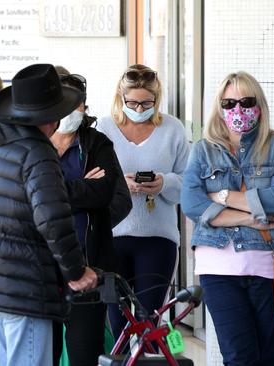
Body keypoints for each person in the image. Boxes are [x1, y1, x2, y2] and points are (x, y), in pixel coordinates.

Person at [0, 64, 98, 365]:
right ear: (50, 117)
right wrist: (76, 272)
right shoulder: (37, 153)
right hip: (25, 284)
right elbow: (53, 220)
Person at [181, 71, 274, 365]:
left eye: (246, 101)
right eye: (230, 102)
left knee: (268, 354)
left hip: (269, 263)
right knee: (238, 356)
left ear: (259, 105)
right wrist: (247, 219)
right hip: (218, 267)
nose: (238, 110)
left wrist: (219, 196)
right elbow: (190, 203)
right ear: (219, 108)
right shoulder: (202, 150)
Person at [96, 64, 190, 341]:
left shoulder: (172, 129)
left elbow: (189, 183)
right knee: (118, 321)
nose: (139, 109)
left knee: (149, 321)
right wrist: (118, 185)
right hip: (112, 236)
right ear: (120, 97)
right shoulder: (104, 128)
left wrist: (164, 183)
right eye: (132, 102)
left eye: (146, 103)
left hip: (157, 238)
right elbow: (91, 181)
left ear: (156, 100)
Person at [50, 73, 130, 366]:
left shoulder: (97, 144)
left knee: (85, 352)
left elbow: (107, 193)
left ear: (84, 107)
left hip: (89, 265)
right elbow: (27, 196)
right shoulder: (35, 144)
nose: (72, 112)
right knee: (45, 353)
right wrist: (81, 191)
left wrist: (54, 194)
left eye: (78, 105)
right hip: (42, 267)